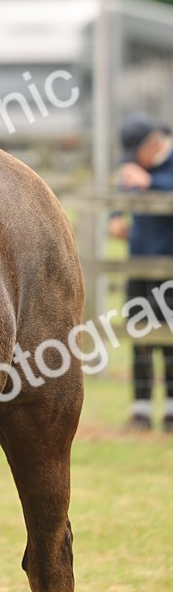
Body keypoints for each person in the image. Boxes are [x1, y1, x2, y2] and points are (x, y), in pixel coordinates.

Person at [113, 114, 173, 433]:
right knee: (139, 335)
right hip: (138, 264)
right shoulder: (138, 169)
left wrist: (150, 182)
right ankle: (140, 411)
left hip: (168, 269)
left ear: (152, 144)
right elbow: (122, 191)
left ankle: (171, 413)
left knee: (170, 340)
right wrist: (115, 215)